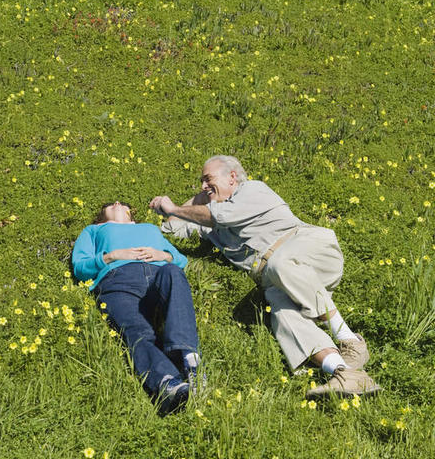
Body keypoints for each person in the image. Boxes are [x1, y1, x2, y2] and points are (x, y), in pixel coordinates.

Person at [150, 156, 380, 399]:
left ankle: (349, 339)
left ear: (232, 177)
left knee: (279, 265)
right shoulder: (210, 225)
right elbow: (172, 227)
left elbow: (218, 215)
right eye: (201, 182)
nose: (204, 186)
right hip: (276, 278)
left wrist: (174, 207)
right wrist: (199, 197)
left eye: (208, 179)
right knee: (284, 319)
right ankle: (346, 373)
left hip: (307, 248)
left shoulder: (252, 190)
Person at [72, 201, 203, 413]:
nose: (117, 203)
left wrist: (163, 255)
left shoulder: (149, 229)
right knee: (137, 330)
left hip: (159, 272)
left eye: (122, 203)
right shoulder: (93, 230)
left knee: (174, 273)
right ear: (100, 218)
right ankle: (168, 383)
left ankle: (187, 355)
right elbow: (80, 266)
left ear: (131, 216)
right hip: (117, 281)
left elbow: (180, 260)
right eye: (110, 204)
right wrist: (112, 256)